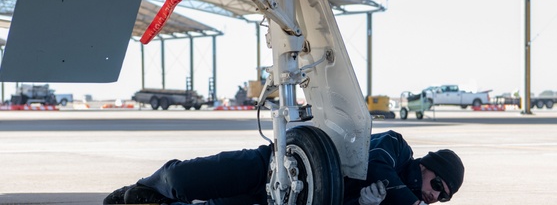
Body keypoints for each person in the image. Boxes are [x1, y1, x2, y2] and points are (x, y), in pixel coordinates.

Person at [104, 130, 464, 205]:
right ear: (426, 165)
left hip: (283, 203)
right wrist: (401, 200)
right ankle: (144, 189)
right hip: (272, 166)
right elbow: (375, 162)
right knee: (182, 179)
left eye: (441, 199)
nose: (434, 196)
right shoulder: (397, 149)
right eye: (438, 186)